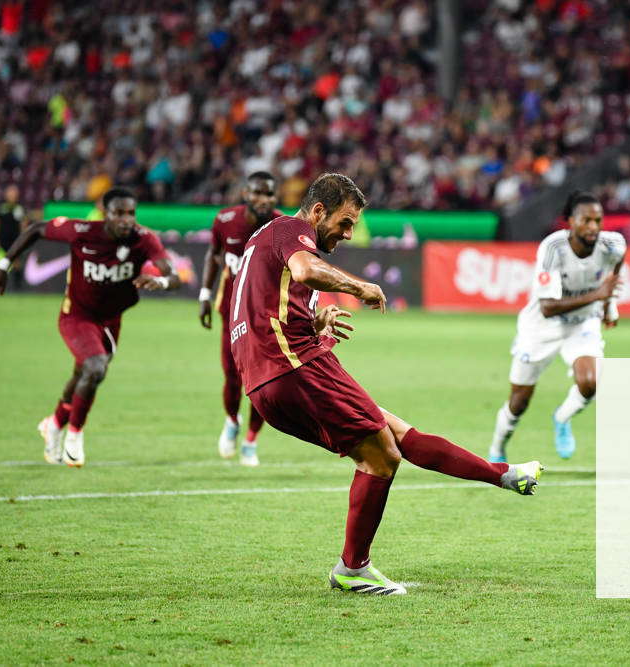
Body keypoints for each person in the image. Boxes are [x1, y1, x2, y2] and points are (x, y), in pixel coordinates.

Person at [228, 173, 542, 595]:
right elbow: (304, 270)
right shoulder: (292, 231)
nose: (348, 233)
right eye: (344, 222)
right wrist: (359, 287)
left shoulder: (265, 238)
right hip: (292, 366)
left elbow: (267, 301)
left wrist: (313, 320)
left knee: (396, 433)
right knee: (381, 455)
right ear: (318, 211)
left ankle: (503, 474)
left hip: (267, 377)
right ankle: (353, 568)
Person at [0, 187, 181, 467]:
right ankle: (74, 434)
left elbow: (172, 272)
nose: (126, 220)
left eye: (131, 213)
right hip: (77, 315)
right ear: (105, 213)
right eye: (119, 213)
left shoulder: (143, 239)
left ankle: (55, 423)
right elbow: (35, 229)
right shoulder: (81, 230)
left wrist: (163, 282)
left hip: (111, 320)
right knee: (95, 366)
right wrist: (4, 265)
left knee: (86, 373)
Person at [488, 190, 625, 463]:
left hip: (583, 323)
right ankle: (497, 447)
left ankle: (562, 418)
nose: (593, 227)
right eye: (586, 220)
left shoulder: (613, 245)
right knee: (519, 401)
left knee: (591, 381)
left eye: (598, 220)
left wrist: (609, 306)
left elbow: (614, 270)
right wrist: (598, 296)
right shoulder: (553, 249)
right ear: (570, 222)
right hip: (540, 327)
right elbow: (548, 307)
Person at [198, 171, 283, 466]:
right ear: (245, 194)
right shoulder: (225, 220)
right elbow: (213, 254)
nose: (264, 199)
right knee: (232, 376)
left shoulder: (281, 226)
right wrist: (205, 295)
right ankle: (232, 421)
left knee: (263, 381)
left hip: (265, 316)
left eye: (269, 194)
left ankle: (251, 440)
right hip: (231, 313)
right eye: (258, 192)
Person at [0, 184, 26, 288]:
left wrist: (23, 239)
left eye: (14, 193)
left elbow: (23, 224)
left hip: (15, 241)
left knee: (16, 263)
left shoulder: (19, 209)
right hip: (2, 240)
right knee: (0, 263)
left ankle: (17, 287)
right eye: (10, 193)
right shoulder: (1, 208)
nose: (12, 195)